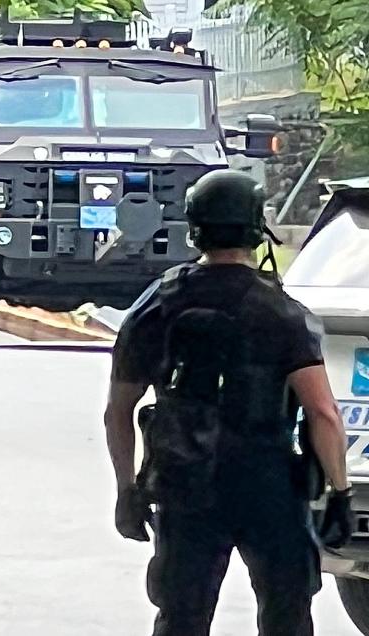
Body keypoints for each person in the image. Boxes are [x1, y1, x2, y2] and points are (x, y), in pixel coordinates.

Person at [104, 169, 353, 636]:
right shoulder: (282, 313)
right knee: (287, 613)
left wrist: (127, 490)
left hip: (186, 485)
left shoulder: (156, 305)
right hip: (269, 487)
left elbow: (119, 409)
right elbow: (322, 412)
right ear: (258, 230)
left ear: (194, 228)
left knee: (181, 617)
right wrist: (338, 493)